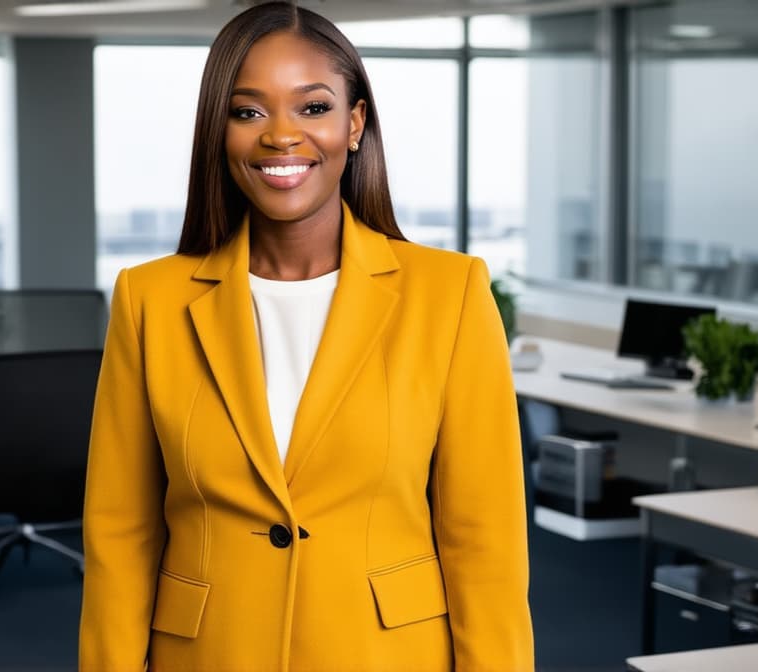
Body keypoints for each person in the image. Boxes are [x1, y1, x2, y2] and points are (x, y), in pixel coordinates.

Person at [79, 2, 533, 670]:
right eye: (249, 111)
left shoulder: (450, 293)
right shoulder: (149, 299)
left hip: (386, 654)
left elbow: (484, 539)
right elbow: (120, 534)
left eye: (313, 108)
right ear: (220, 132)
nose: (281, 136)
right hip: (212, 653)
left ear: (354, 124)